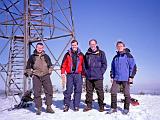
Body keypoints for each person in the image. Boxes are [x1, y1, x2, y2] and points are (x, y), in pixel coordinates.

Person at [25, 43, 54, 115]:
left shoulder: (46, 56)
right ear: (36, 47)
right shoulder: (32, 57)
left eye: (41, 47)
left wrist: (49, 72)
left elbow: (50, 65)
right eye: (38, 47)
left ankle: (49, 107)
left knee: (49, 91)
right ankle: (39, 108)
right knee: (37, 92)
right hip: (36, 76)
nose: (40, 49)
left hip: (46, 75)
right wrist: (31, 74)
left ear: (43, 48)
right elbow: (28, 67)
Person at [108, 41, 137, 114]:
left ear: (124, 47)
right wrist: (112, 76)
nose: (119, 47)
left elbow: (133, 67)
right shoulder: (115, 57)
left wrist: (131, 76)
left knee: (126, 94)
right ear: (116, 47)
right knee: (113, 92)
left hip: (126, 78)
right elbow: (112, 68)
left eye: (121, 46)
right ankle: (113, 108)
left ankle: (126, 108)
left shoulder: (128, 55)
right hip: (116, 78)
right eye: (118, 46)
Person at [83, 39, 107, 112]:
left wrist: (101, 72)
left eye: (93, 44)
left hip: (98, 76)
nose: (92, 45)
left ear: (96, 44)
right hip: (89, 76)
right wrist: (86, 72)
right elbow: (84, 65)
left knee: (99, 91)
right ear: (89, 45)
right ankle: (89, 106)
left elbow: (104, 64)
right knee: (89, 91)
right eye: (91, 44)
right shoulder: (87, 54)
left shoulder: (101, 53)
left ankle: (101, 106)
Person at [61, 40, 85, 112]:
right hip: (70, 75)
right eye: (73, 45)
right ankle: (66, 105)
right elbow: (63, 64)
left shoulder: (81, 54)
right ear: (71, 46)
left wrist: (83, 74)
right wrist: (62, 72)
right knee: (68, 90)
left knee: (78, 90)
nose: (74, 46)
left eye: (75, 45)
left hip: (78, 74)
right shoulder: (67, 54)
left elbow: (83, 65)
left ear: (77, 45)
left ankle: (76, 105)